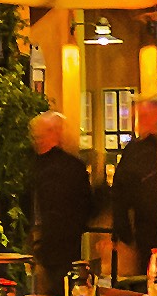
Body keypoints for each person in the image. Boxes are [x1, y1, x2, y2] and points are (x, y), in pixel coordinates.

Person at [106, 92, 157, 293]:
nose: (142, 123)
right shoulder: (136, 152)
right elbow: (120, 193)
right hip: (148, 231)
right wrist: (124, 232)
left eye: (146, 116)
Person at [20, 108, 100, 284]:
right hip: (67, 244)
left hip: (46, 243)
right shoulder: (74, 166)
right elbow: (88, 207)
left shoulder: (30, 167)